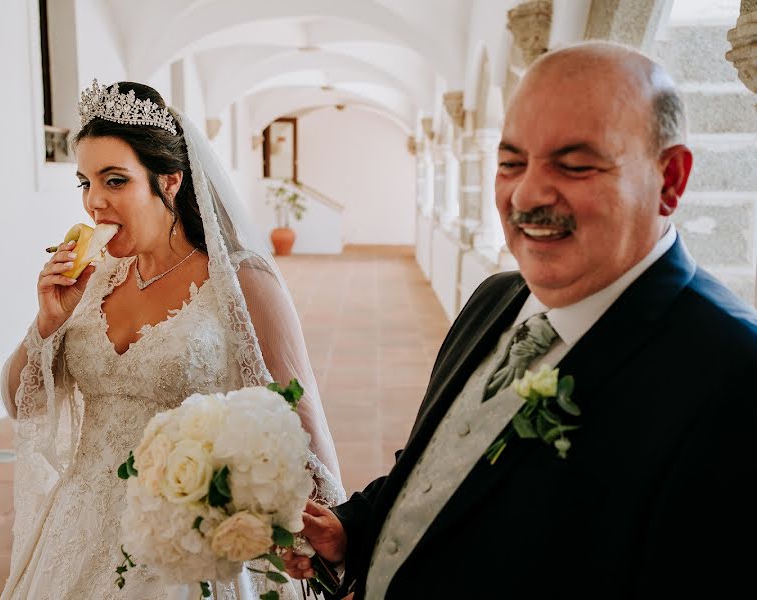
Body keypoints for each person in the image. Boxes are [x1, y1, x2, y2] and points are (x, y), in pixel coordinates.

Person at [283, 41, 757, 598]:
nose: (527, 192)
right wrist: (355, 528)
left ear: (670, 180)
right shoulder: (495, 298)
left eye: (575, 165)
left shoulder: (731, 377)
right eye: (510, 162)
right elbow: (438, 461)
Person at [0, 80, 344, 599]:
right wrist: (46, 323)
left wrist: (332, 537)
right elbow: (20, 405)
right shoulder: (89, 281)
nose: (95, 203)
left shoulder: (242, 282)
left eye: (115, 181)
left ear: (171, 181)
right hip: (80, 529)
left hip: (194, 537)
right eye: (85, 183)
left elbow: (302, 419)